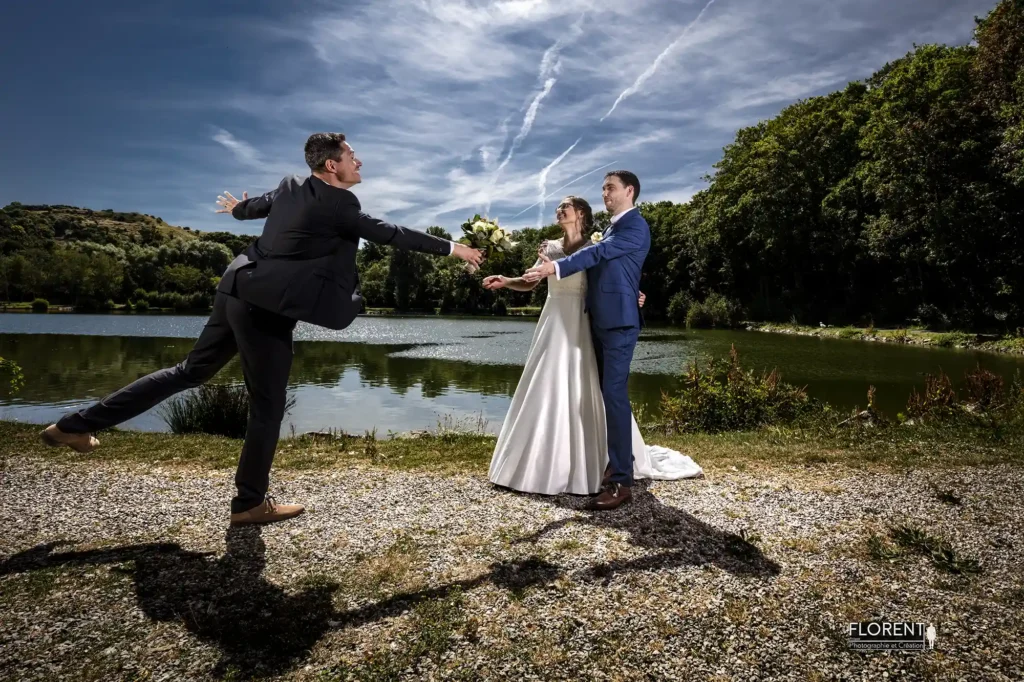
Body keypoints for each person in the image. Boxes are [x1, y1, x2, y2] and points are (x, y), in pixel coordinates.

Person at [39, 132, 483, 526]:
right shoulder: (341, 203)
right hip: (265, 309)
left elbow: (255, 208)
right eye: (352, 156)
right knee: (267, 407)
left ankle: (72, 426)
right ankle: (250, 503)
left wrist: (236, 208)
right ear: (332, 165)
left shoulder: (291, 185)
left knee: (189, 372)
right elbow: (389, 233)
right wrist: (453, 248)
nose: (359, 162)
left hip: (236, 285)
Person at [485, 188, 701, 505]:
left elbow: (613, 281)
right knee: (545, 386)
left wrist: (634, 295)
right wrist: (506, 280)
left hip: (582, 324)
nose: (559, 210)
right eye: (558, 207)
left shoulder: (595, 248)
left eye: (566, 207)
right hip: (552, 320)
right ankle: (535, 465)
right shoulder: (549, 247)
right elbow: (530, 281)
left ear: (581, 213)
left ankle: (590, 465)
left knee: (582, 388)